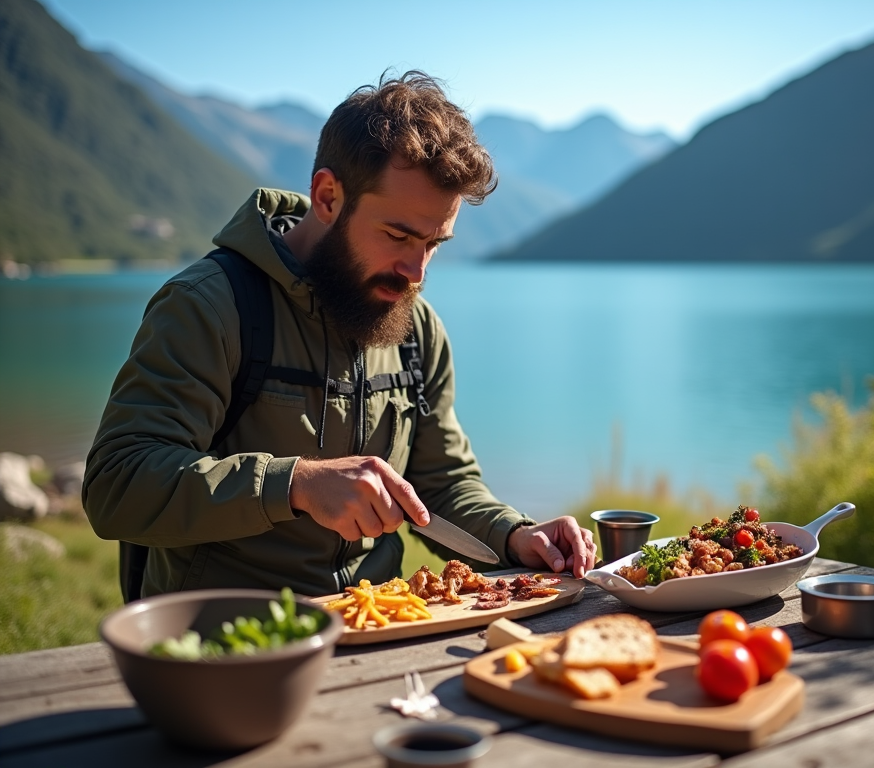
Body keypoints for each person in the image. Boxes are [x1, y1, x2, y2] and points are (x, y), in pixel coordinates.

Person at [83, 71, 595, 599]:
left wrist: (514, 533)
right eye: (398, 235)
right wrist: (295, 484)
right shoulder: (210, 307)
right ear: (327, 196)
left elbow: (441, 483)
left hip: (376, 629)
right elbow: (118, 484)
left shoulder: (416, 328)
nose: (417, 271)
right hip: (230, 640)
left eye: (435, 243)